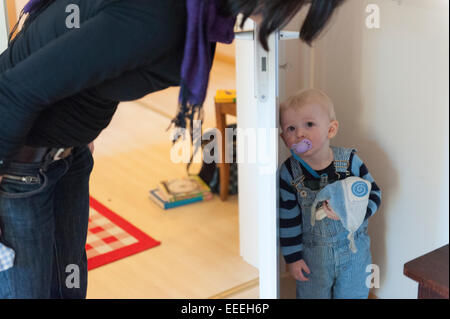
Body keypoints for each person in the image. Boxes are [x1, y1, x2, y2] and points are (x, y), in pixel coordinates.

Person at [0, 0, 345, 298]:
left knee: (67, 287)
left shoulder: (194, 17)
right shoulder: (159, 14)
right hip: (17, 168)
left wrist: (80, 130)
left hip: (66, 154)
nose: (287, 16)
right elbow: (13, 91)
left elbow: (100, 67)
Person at [278, 89, 382, 299]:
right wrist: (292, 258)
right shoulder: (289, 172)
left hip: (354, 251)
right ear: (283, 138)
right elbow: (288, 218)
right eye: (291, 128)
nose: (299, 134)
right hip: (313, 256)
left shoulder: (350, 162)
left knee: (354, 293)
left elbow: (374, 193)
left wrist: (354, 213)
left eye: (309, 124)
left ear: (331, 129)